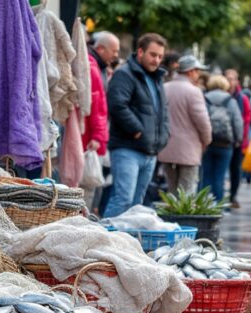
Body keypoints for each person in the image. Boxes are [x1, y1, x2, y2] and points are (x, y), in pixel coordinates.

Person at [104, 33, 170, 218]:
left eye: (159, 56)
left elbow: (163, 110)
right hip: (127, 149)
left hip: (150, 151)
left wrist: (164, 136)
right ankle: (103, 239)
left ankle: (125, 244)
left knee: (136, 205)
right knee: (123, 199)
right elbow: (117, 104)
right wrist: (137, 130)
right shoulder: (124, 74)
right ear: (140, 52)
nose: (156, 60)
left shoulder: (157, 78)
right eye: (152, 54)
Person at [157, 56, 212, 195]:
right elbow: (202, 121)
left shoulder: (164, 88)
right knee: (187, 190)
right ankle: (184, 217)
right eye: (197, 71)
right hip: (189, 149)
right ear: (190, 71)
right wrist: (207, 140)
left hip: (166, 146)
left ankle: (171, 216)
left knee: (172, 189)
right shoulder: (193, 91)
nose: (198, 75)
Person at [81, 32, 118, 211]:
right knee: (86, 188)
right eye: (114, 51)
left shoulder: (95, 66)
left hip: (90, 136)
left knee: (88, 187)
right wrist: (98, 135)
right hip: (89, 139)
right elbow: (97, 106)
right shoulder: (91, 66)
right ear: (100, 48)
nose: (116, 55)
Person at [201, 75, 243, 203]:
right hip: (225, 144)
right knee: (220, 176)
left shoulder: (205, 98)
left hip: (207, 142)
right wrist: (238, 139)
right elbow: (237, 122)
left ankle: (202, 205)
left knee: (205, 175)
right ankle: (219, 205)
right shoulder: (231, 101)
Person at [224, 69, 251, 209]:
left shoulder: (243, 99)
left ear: (237, 81)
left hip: (238, 140)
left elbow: (247, 119)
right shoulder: (219, 95)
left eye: (232, 78)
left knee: (235, 169)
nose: (230, 81)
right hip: (222, 139)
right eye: (227, 78)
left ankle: (233, 195)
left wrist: (243, 139)